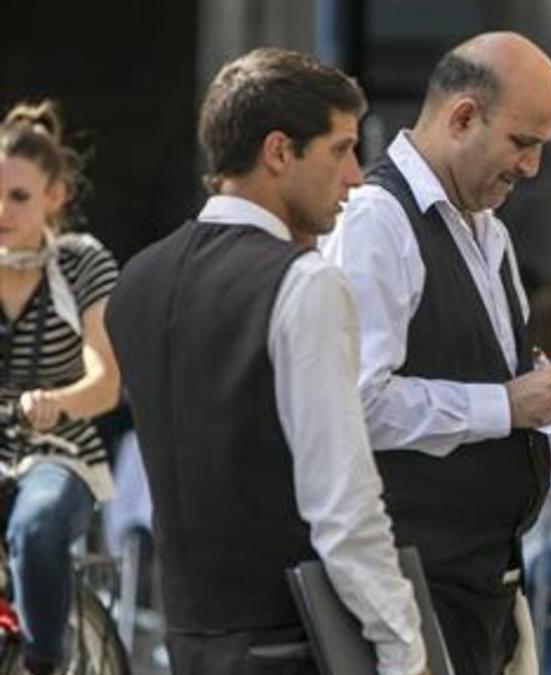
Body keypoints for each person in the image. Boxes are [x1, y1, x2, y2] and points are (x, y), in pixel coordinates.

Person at [104, 48, 428, 675]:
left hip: (192, 644)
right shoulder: (305, 284)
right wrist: (405, 649)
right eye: (340, 149)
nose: (356, 177)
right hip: (294, 644)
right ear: (279, 152)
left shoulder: (135, 283)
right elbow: (343, 506)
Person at [322, 32, 551, 675]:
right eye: (523, 143)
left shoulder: (489, 228)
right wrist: (505, 403)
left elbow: (464, 364)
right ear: (464, 117)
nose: (530, 168)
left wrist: (539, 386)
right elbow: (355, 403)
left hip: (486, 581)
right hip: (412, 586)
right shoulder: (375, 220)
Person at [0, 100, 121, 675]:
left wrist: (57, 403)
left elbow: (107, 382)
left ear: (56, 197)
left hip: (58, 453)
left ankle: (41, 665)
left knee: (38, 524)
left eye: (18, 196)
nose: (1, 210)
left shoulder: (80, 264)